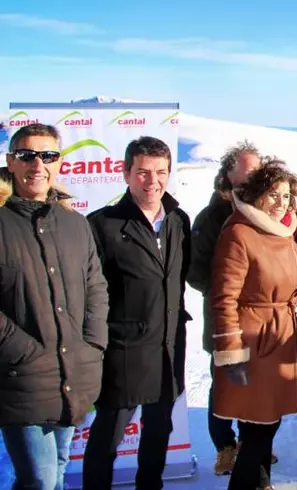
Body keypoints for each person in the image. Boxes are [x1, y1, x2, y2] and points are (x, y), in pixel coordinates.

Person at [0, 124, 109, 490]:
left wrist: (92, 346)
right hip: (21, 378)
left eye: (48, 155)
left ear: (59, 163)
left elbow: (96, 287)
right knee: (41, 480)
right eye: (27, 155)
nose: (38, 164)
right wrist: (23, 352)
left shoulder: (75, 224)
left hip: (75, 374)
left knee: (59, 470)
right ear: (11, 163)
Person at [83, 136, 192, 490]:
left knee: (159, 430)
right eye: (143, 172)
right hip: (123, 350)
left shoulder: (178, 220)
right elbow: (90, 293)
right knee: (107, 437)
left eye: (161, 172)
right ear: (126, 173)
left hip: (167, 346)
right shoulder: (103, 225)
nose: (152, 181)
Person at [210, 162, 297, 490]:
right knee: (258, 428)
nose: (280, 202)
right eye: (272, 195)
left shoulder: (284, 231)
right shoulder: (239, 232)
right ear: (256, 195)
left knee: (267, 423)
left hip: (282, 336)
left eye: (285, 195)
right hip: (254, 340)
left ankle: (261, 483)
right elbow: (223, 298)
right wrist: (230, 351)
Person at [186, 140, 279, 474]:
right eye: (246, 173)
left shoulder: (267, 213)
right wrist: (233, 293)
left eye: (257, 173)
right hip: (226, 321)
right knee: (225, 388)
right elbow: (196, 273)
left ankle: (251, 444)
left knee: (257, 387)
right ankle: (225, 446)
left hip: (262, 323)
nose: (252, 179)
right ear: (227, 176)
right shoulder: (212, 217)